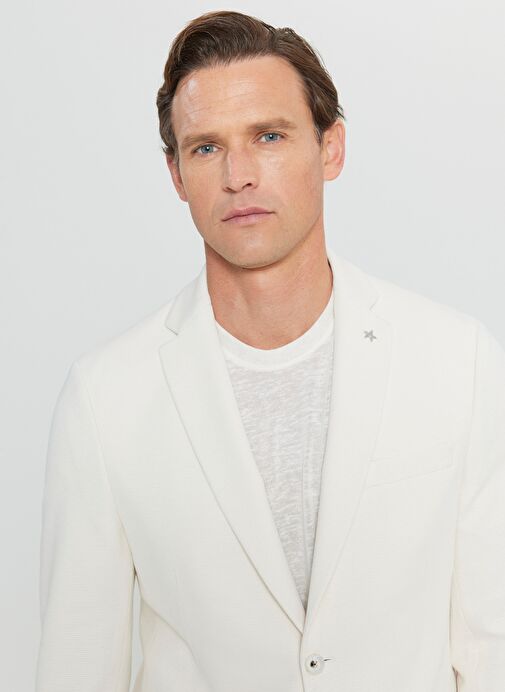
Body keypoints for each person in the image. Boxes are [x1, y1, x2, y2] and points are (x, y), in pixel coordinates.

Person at [36, 9, 505, 692]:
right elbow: (77, 667)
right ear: (176, 175)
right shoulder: (105, 399)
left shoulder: (456, 360)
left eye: (269, 136)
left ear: (330, 148)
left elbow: (492, 644)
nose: (239, 175)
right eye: (206, 148)